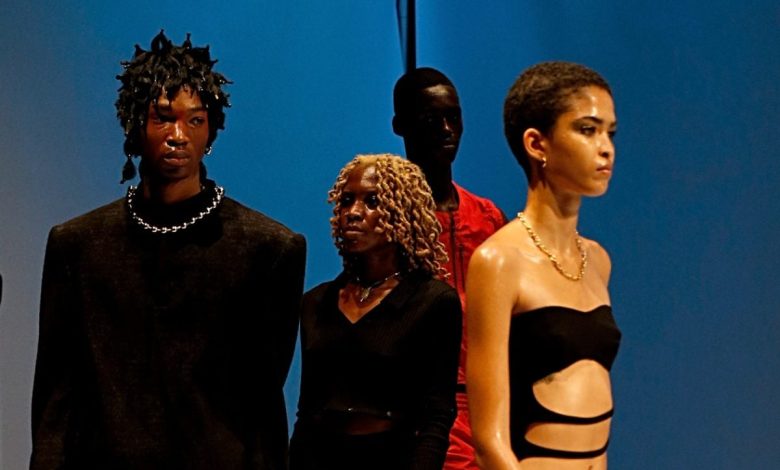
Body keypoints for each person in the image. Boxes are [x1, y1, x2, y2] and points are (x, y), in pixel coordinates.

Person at [30, 31, 306, 469]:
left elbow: (262, 405)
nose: (178, 136)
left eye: (195, 121)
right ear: (134, 125)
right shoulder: (78, 246)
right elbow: (56, 398)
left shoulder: (268, 250)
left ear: (211, 131)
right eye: (163, 118)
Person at [466, 61, 621, 469]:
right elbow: (489, 441)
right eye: (587, 130)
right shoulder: (499, 261)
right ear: (537, 144)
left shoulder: (597, 260)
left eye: (610, 132)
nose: (605, 147)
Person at [289, 154, 462, 470]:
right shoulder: (316, 302)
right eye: (346, 201)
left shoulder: (432, 301)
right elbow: (307, 411)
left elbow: (437, 416)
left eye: (372, 202)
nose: (353, 213)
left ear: (402, 212)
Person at [392, 67, 506, 469]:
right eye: (430, 119)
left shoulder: (487, 218)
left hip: (487, 403)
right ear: (401, 126)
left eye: (453, 117)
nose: (446, 130)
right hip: (417, 411)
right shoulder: (387, 219)